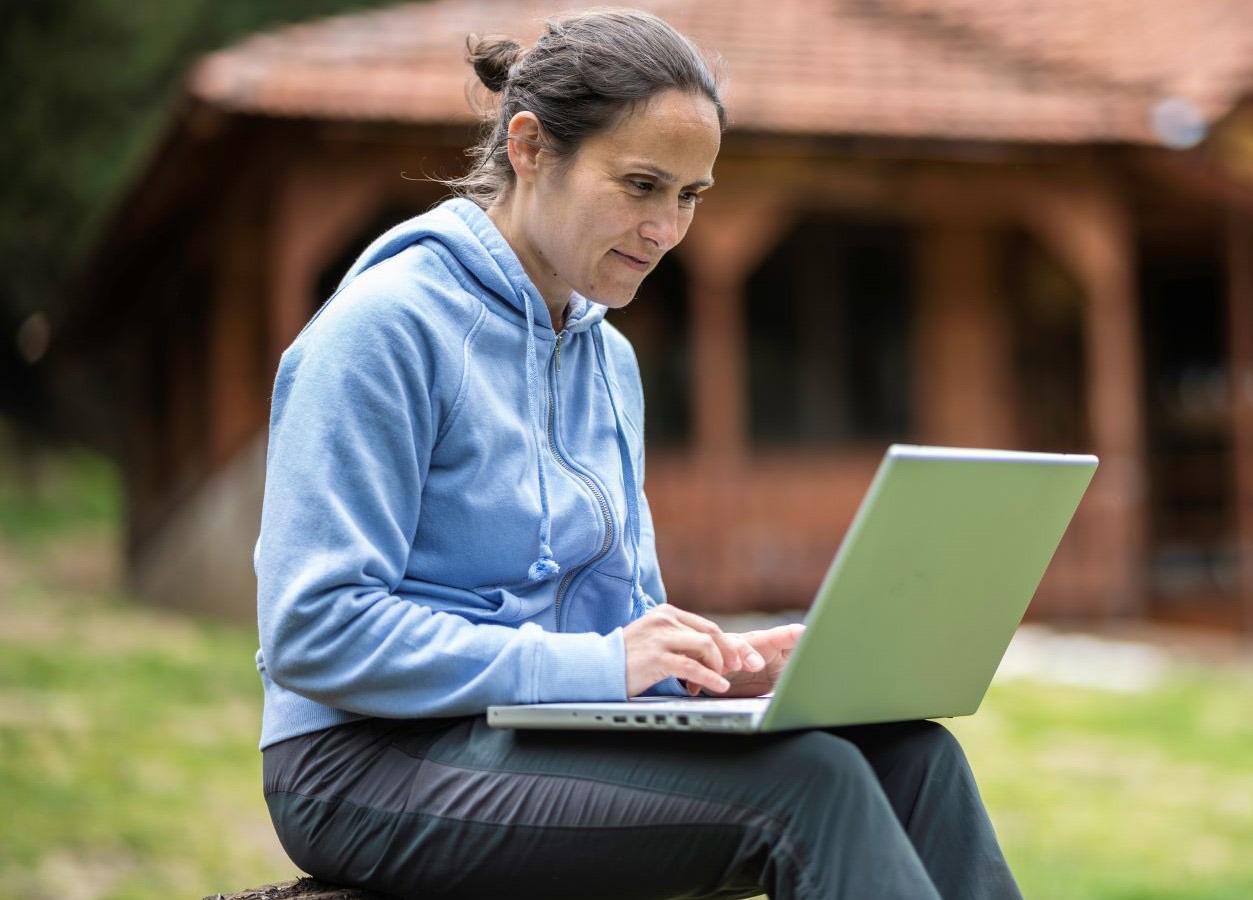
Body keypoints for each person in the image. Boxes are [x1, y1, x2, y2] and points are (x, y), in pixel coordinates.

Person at [253, 9, 1022, 899]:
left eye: (691, 195)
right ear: (532, 147)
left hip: (531, 737)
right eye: (642, 185)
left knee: (914, 756)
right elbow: (315, 629)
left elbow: (619, 625)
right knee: (809, 790)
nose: (666, 229)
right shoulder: (384, 330)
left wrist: (718, 674)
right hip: (361, 760)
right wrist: (600, 664)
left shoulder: (608, 359)